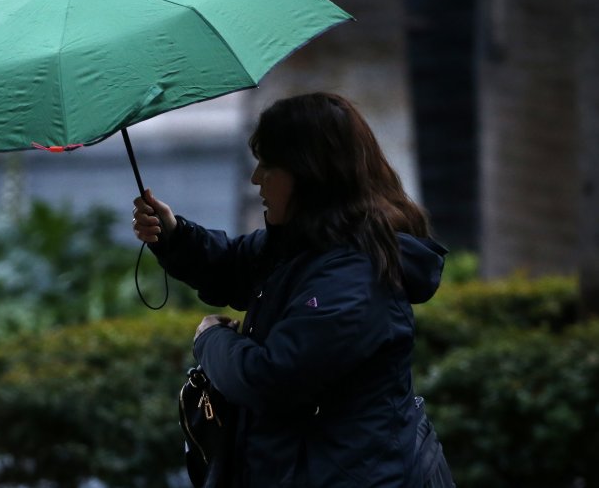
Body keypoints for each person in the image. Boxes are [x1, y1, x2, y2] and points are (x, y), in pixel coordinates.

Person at [132, 92, 450, 488]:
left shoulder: (355, 275)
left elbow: (271, 378)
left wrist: (210, 340)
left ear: (309, 172)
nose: (255, 179)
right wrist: (175, 236)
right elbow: (234, 266)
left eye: (268, 165)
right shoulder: (308, 244)